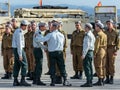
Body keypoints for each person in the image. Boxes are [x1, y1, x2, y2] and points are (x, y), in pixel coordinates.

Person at [34, 22, 71, 86]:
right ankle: (65, 80)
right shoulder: (61, 35)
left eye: (52, 26)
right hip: (60, 52)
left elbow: (43, 39)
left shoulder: (50, 34)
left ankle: (53, 81)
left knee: (52, 67)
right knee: (62, 66)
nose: (50, 27)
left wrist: (36, 38)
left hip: (52, 52)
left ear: (54, 27)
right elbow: (63, 43)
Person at [12, 20, 31, 86]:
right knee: (24, 64)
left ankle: (15, 80)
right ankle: (23, 80)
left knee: (17, 65)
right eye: (26, 26)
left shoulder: (17, 31)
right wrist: (20, 54)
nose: (26, 27)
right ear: (23, 25)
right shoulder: (20, 32)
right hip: (19, 49)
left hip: (15, 49)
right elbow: (19, 44)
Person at [104, 19, 120, 84]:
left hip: (112, 49)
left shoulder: (116, 32)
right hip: (105, 49)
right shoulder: (105, 32)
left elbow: (118, 42)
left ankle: (111, 78)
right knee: (106, 64)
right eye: (107, 24)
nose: (108, 25)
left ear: (112, 24)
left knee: (111, 64)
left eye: (109, 24)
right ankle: (107, 77)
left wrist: (116, 50)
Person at [93, 22, 107, 86]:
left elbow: (97, 45)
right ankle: (103, 79)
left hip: (99, 51)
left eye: (96, 26)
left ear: (99, 27)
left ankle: (100, 80)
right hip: (103, 50)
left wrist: (94, 53)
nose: (95, 28)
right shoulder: (104, 34)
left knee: (98, 66)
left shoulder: (98, 34)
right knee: (103, 66)